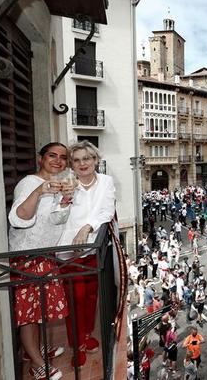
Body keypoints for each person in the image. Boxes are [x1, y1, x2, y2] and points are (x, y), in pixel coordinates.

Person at [8, 142, 72, 380]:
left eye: (62, 157)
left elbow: (55, 222)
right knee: (28, 314)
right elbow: (19, 218)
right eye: (52, 155)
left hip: (44, 255)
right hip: (27, 256)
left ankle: (32, 350)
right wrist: (39, 191)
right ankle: (37, 363)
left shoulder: (55, 185)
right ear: (41, 158)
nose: (58, 160)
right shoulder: (28, 183)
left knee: (38, 310)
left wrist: (64, 204)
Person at [57, 141, 116, 368]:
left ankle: (87, 335)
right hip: (67, 252)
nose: (83, 163)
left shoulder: (106, 182)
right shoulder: (66, 183)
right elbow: (56, 216)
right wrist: (63, 201)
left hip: (92, 248)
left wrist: (87, 227)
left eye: (87, 158)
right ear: (72, 164)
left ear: (95, 160)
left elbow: (106, 211)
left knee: (91, 297)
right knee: (75, 299)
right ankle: (77, 345)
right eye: (77, 160)